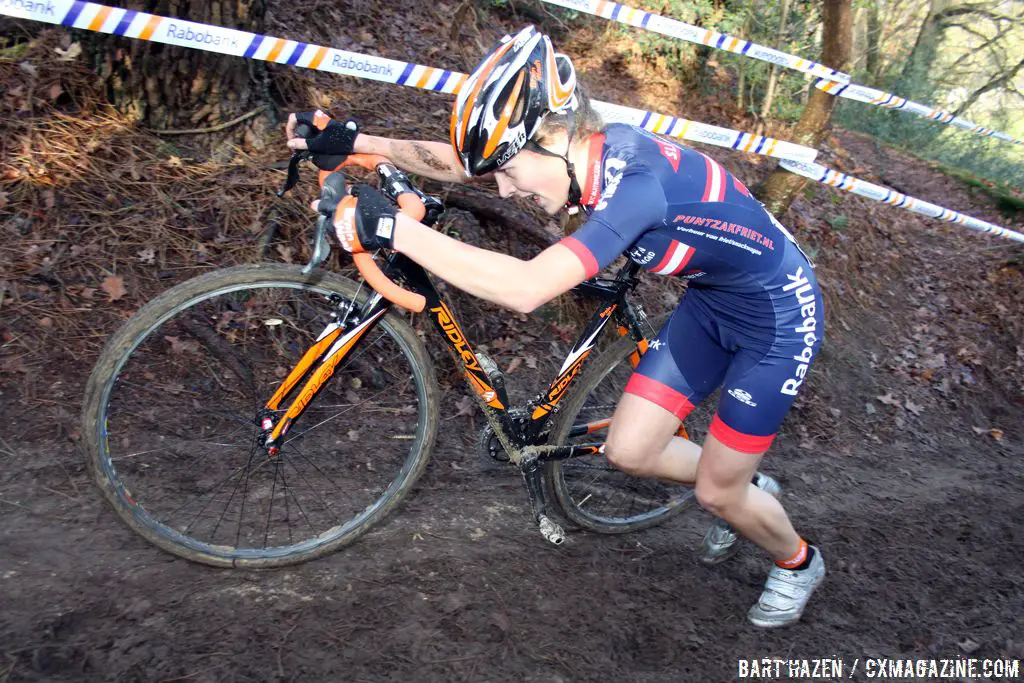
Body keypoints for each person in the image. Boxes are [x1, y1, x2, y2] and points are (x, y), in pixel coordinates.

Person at [285, 25, 825, 628]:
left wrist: (394, 229)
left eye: (510, 173)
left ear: (552, 138)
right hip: (711, 306)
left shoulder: (635, 187)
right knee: (628, 450)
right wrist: (357, 143)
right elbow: (463, 164)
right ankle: (749, 495)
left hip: (778, 324)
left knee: (718, 494)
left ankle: (796, 558)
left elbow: (526, 289)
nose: (507, 191)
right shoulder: (576, 155)